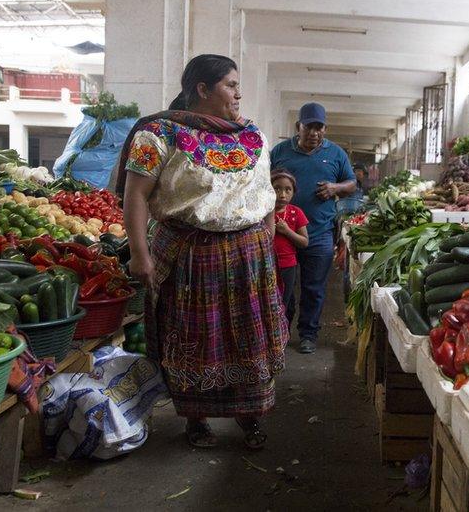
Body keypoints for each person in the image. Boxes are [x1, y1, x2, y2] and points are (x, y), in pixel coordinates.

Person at [119, 54, 287, 450]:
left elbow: (263, 194)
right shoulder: (159, 134)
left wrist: (266, 240)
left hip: (249, 255)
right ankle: (196, 419)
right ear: (202, 89)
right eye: (230, 84)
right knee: (194, 338)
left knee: (249, 339)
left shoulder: (252, 135)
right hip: (188, 254)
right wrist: (140, 254)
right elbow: (135, 196)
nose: (238, 93)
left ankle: (251, 416)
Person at [271, 103, 356, 354]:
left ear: (325, 129)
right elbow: (263, 183)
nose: (314, 133)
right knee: (280, 285)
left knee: (313, 287)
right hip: (282, 232)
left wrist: (335, 188)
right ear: (299, 127)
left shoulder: (336, 154)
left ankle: (308, 334)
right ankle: (281, 331)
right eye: (308, 127)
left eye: (319, 128)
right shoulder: (280, 152)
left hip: (319, 232)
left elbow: (351, 183)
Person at [270, 170, 309, 323]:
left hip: (287, 266)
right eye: (277, 188)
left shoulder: (296, 213)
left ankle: (281, 337)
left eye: (288, 189)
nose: (282, 194)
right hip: (266, 264)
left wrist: (287, 231)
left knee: (284, 301)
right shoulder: (263, 212)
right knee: (268, 300)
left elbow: (304, 242)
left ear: (294, 192)